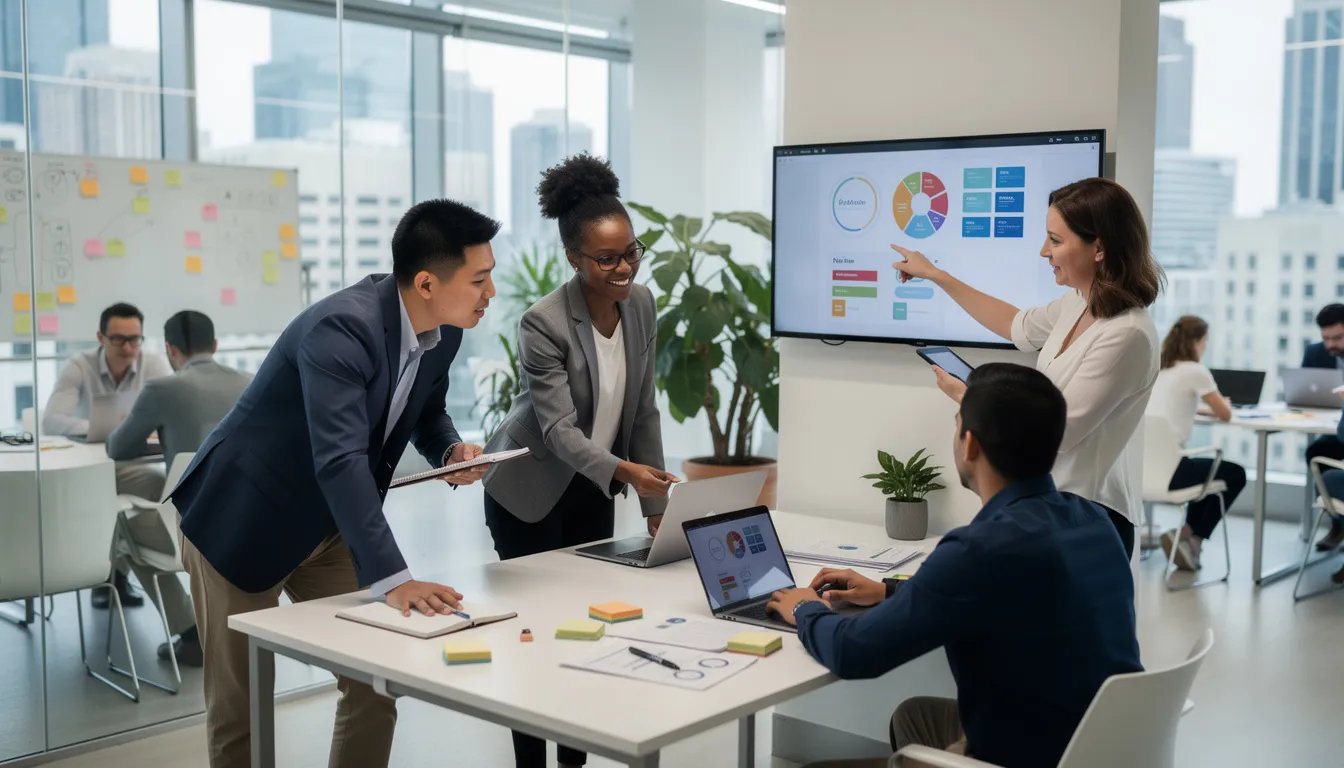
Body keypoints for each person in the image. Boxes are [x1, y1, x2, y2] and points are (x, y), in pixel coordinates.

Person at [171, 199, 500, 768]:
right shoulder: (341, 327)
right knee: (241, 709)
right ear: (426, 282)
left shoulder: (445, 333)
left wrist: (450, 449)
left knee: (375, 680)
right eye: (479, 279)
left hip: (327, 526)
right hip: (241, 521)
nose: (490, 293)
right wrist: (395, 578)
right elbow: (340, 458)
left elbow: (425, 413)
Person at [766, 363, 1142, 768]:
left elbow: (854, 652)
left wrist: (805, 608)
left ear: (970, 445)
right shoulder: (1095, 521)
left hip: (1024, 756)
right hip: (1099, 745)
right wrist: (889, 590)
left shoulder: (981, 548)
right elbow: (1003, 591)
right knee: (915, 716)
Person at [481, 154, 677, 768]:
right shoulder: (543, 322)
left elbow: (642, 411)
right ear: (574, 257)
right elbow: (560, 431)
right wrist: (626, 473)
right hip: (528, 490)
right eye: (607, 258)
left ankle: (574, 760)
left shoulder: (640, 304)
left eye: (631, 252)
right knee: (537, 632)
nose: (624, 268)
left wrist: (655, 508)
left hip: (592, 488)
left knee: (588, 624)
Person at [891, 178, 1162, 558]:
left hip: (1087, 516)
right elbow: (1014, 324)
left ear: (1099, 247)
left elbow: (1056, 435)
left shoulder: (1128, 335)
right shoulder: (1079, 302)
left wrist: (969, 398)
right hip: (1052, 509)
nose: (1043, 252)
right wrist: (936, 275)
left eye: (1055, 240)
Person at [105, 310, 252, 667]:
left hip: (190, 527)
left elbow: (118, 449)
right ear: (215, 345)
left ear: (169, 349)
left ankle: (190, 633)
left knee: (126, 531)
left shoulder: (162, 388)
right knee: (150, 483)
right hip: (246, 518)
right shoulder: (250, 380)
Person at [43, 301, 173, 607]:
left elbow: (169, 413)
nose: (128, 348)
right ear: (101, 337)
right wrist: (106, 428)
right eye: (118, 339)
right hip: (88, 467)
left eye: (135, 339)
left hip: (133, 463)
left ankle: (116, 572)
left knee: (158, 486)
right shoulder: (79, 365)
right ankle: (108, 574)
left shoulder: (153, 365)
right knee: (116, 498)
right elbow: (51, 420)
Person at [1146, 316, 1247, 570]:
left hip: (1142, 472)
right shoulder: (1195, 370)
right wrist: (1218, 404)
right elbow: (1225, 413)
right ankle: (1193, 537)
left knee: (1207, 472)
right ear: (1197, 341)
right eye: (1205, 342)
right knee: (1234, 474)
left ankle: (1186, 534)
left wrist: (1198, 409)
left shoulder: (1159, 367)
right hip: (1173, 473)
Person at [1302, 303, 1344, 551]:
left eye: (1338, 338)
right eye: (1326, 338)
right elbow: (1305, 392)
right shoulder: (1316, 353)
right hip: (1331, 424)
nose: (1331, 345)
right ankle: (1337, 523)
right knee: (1317, 452)